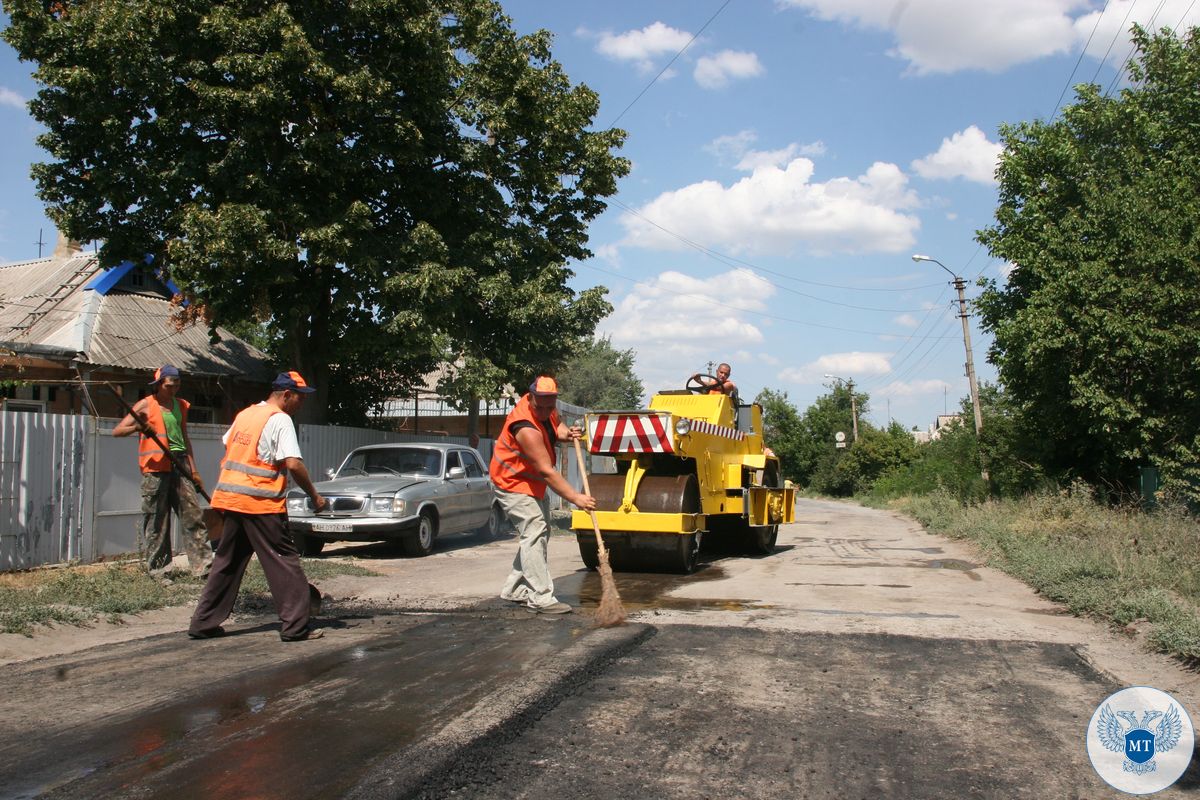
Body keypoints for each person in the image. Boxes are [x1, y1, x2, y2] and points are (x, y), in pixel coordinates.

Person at [188, 371, 328, 642]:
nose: (301, 403)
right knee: (283, 562)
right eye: (300, 398)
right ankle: (296, 627)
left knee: (226, 563)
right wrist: (315, 495)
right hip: (260, 503)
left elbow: (228, 443)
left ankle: (203, 623)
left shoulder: (247, 414)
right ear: (286, 395)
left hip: (232, 501)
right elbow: (293, 463)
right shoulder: (280, 420)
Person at [491, 376, 596, 614]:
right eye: (542, 406)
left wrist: (569, 434)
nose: (546, 411)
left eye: (551, 406)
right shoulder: (524, 427)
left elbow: (555, 427)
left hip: (532, 483)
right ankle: (540, 597)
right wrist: (576, 498)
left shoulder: (547, 409)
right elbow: (547, 471)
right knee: (535, 529)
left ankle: (515, 589)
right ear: (530, 398)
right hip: (511, 482)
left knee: (539, 532)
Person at [112, 364, 211, 578]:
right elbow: (117, 431)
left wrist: (194, 471)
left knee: (193, 516)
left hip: (180, 464)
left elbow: (185, 438)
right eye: (169, 386)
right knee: (158, 520)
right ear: (158, 385)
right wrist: (138, 427)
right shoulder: (146, 405)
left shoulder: (181, 405)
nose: (173, 390)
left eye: (176, 386)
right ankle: (159, 571)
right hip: (156, 469)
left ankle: (204, 569)